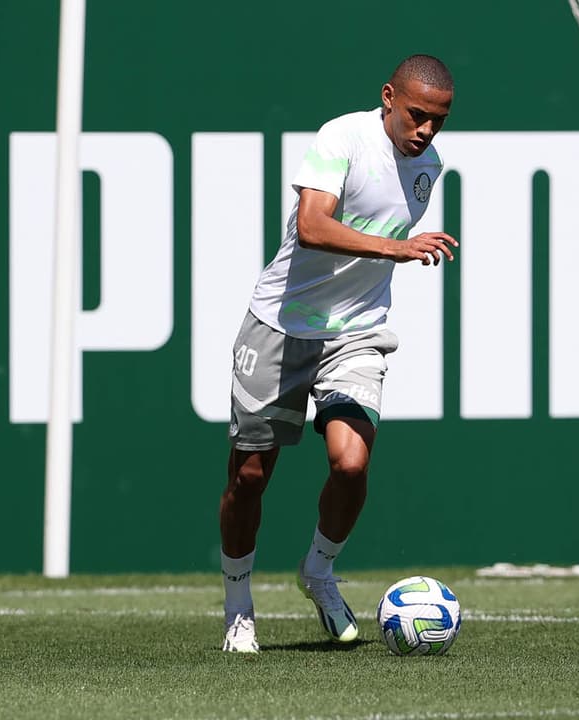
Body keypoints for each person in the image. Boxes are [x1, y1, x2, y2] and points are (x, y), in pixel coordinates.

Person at [217, 54, 456, 653]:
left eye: (438, 120)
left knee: (351, 465)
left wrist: (386, 254)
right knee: (249, 477)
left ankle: (320, 571)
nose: (425, 130)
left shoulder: (430, 165)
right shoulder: (341, 137)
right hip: (280, 323)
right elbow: (313, 227)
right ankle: (238, 605)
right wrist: (394, 250)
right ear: (388, 99)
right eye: (417, 115)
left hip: (355, 331)